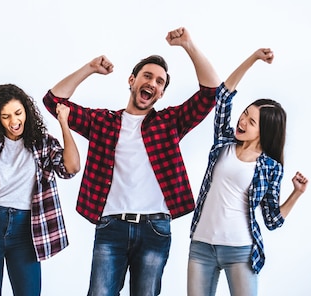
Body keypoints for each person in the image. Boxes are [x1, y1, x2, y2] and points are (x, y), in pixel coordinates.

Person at [42, 27, 221, 295]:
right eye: (147, 76)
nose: (152, 83)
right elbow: (53, 100)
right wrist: (89, 68)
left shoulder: (169, 122)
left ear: (160, 94)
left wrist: (188, 45)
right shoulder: (102, 122)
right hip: (111, 226)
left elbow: (211, 93)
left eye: (159, 82)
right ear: (132, 80)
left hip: (155, 229)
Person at [187, 48, 309, 296]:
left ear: (264, 132)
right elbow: (223, 95)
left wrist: (296, 193)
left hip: (240, 250)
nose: (242, 122)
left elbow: (272, 220)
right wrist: (253, 58)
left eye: (251, 122)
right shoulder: (223, 142)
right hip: (201, 246)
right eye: (245, 114)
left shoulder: (270, 167)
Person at [0, 84, 80, 296]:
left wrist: (64, 124)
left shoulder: (43, 144)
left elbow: (71, 168)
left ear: (26, 112)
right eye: (6, 116)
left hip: (27, 231)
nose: (14, 121)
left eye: (18, 113)